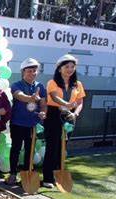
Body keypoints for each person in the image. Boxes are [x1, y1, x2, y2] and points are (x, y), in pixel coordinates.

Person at [42, 54, 86, 188]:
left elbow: (80, 102)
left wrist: (75, 114)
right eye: (67, 66)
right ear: (59, 68)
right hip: (54, 116)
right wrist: (67, 104)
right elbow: (55, 98)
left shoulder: (77, 84)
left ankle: (58, 175)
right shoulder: (52, 82)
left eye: (72, 66)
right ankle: (47, 178)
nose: (70, 69)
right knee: (52, 147)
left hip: (69, 117)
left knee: (62, 148)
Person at [6, 58, 47, 184]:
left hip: (33, 124)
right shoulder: (16, 85)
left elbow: (43, 103)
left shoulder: (40, 86)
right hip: (17, 123)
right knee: (16, 149)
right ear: (23, 72)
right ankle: (13, 173)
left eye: (34, 71)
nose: (32, 73)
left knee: (31, 149)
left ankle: (27, 173)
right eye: (29, 71)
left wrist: (43, 112)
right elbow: (19, 96)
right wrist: (31, 97)